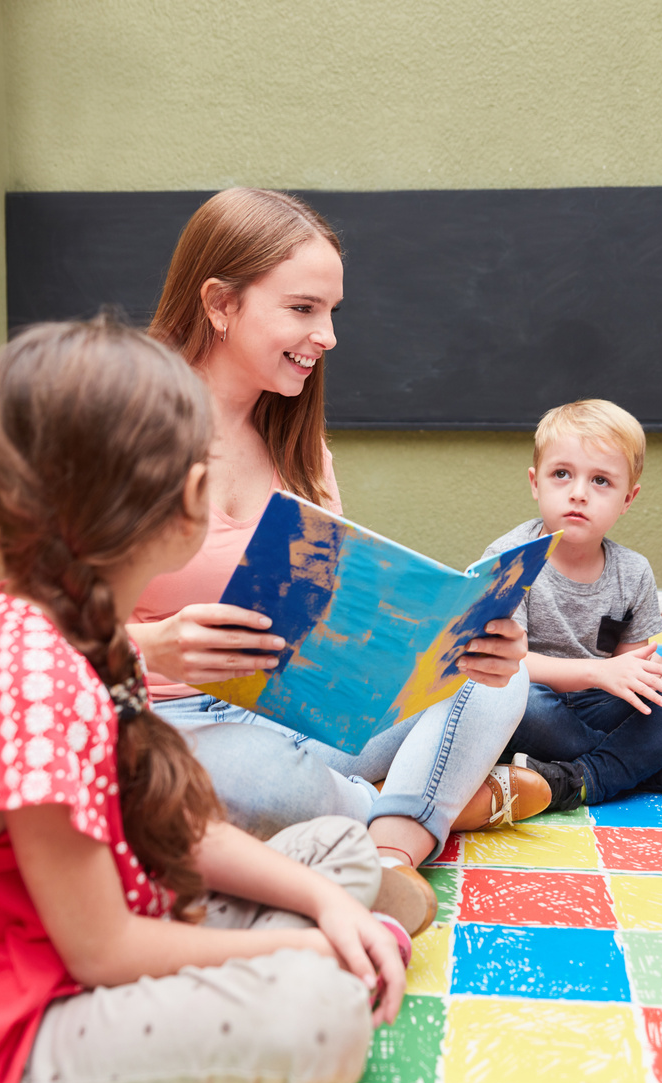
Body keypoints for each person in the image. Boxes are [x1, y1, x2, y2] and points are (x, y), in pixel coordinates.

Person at [0, 317, 408, 1083]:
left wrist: (329, 904)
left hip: (103, 950)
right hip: (16, 1047)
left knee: (341, 852)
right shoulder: (29, 675)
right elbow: (100, 946)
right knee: (320, 1010)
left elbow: (181, 828)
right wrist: (305, 944)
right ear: (189, 497)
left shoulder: (85, 630)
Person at [127, 188, 546, 931]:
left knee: (500, 681)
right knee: (258, 780)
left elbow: (345, 621)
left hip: (307, 712)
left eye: (332, 312)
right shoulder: (120, 425)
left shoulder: (299, 446)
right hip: (179, 725)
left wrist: (460, 643)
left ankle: (386, 854)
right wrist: (150, 644)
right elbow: (27, 626)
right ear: (221, 304)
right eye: (302, 309)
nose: (326, 335)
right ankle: (429, 801)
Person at [484, 399, 662, 811]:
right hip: (533, 702)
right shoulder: (510, 558)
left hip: (595, 704)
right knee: (504, 699)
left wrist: (634, 678)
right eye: (561, 474)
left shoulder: (633, 572)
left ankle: (577, 779)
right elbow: (508, 664)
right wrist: (598, 670)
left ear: (627, 499)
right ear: (535, 482)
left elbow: (635, 678)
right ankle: (652, 766)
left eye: (600, 481)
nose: (578, 493)